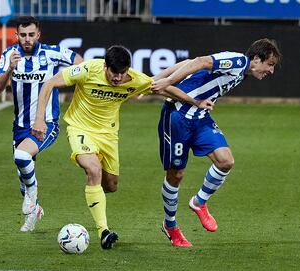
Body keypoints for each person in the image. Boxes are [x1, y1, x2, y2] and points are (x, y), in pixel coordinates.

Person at [31, 45, 213, 249]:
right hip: (80, 128)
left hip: (108, 135)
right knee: (93, 169)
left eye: (122, 73)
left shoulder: (135, 79)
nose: (117, 78)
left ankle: (94, 188)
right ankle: (104, 231)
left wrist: (195, 102)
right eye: (113, 73)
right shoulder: (88, 70)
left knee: (111, 186)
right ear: (105, 66)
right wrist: (39, 119)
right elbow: (49, 84)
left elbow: (164, 88)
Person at [151, 38, 281, 247]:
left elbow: (190, 61)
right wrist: (165, 81)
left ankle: (199, 202)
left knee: (225, 161)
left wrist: (157, 78)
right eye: (270, 65)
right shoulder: (238, 61)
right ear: (256, 59)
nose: (271, 71)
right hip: (176, 116)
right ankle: (171, 226)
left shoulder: (242, 72)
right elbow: (201, 61)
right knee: (176, 175)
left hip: (200, 116)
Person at [0, 16, 83, 233]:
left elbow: (79, 60)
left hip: (47, 124)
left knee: (22, 158)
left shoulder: (51, 53)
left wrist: (68, 79)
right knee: (23, 176)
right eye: (23, 35)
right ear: (17, 36)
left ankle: (33, 197)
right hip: (20, 125)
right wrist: (9, 70)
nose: (27, 39)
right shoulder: (9, 55)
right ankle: (35, 211)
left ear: (38, 35)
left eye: (31, 35)